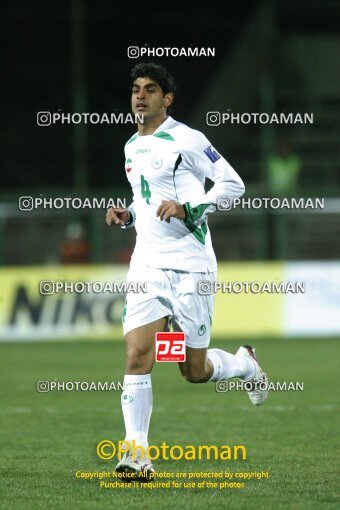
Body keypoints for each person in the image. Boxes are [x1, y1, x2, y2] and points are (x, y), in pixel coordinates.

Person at [106, 62, 268, 478]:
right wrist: (128, 217)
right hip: (147, 266)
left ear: (167, 99)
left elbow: (233, 185)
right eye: (136, 89)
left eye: (151, 90)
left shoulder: (188, 140)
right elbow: (146, 202)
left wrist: (191, 206)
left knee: (192, 371)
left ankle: (246, 364)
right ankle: (136, 454)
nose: (140, 96)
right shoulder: (130, 147)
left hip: (191, 268)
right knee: (138, 353)